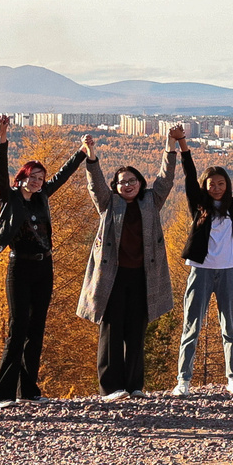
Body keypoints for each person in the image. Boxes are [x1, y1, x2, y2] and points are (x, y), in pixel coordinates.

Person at [0, 132, 86, 407]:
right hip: (19, 267)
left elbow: (61, 177)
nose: (38, 182)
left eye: (41, 178)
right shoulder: (10, 198)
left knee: (36, 329)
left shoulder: (42, 198)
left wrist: (82, 152)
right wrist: (2, 140)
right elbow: (0, 171)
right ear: (22, 177)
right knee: (18, 329)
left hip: (45, 267)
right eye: (33, 177)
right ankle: (2, 394)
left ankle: (28, 390)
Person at [77, 138, 177, 401]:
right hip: (113, 278)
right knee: (111, 330)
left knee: (136, 333)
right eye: (122, 181)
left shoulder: (150, 202)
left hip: (144, 277)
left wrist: (169, 146)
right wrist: (92, 155)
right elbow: (95, 184)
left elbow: (166, 178)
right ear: (115, 186)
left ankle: (134, 387)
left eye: (132, 180)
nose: (128, 185)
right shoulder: (109, 204)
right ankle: (111, 389)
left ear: (141, 183)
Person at [174, 139, 233, 396]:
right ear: (205, 187)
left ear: (227, 185)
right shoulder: (199, 206)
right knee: (191, 326)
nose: (216, 188)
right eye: (211, 184)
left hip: (228, 271)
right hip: (201, 271)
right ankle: (183, 380)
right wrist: (183, 145)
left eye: (221, 184)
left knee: (230, 328)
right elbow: (189, 175)